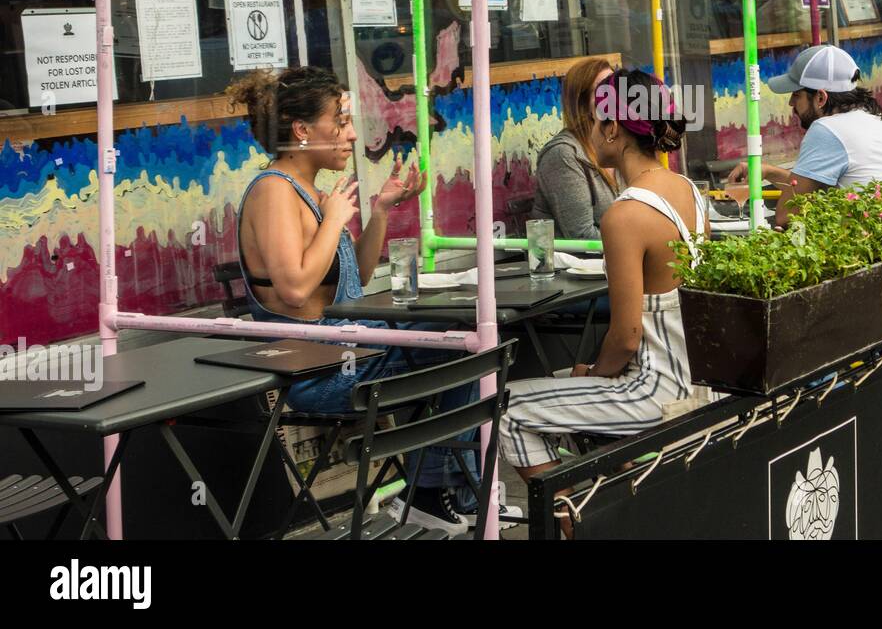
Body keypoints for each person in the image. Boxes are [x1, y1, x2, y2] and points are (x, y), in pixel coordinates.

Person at [227, 66, 515, 535]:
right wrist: (335, 221)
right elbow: (296, 289)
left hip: (354, 350)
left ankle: (449, 491)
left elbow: (352, 280)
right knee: (465, 344)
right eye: (339, 123)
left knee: (473, 339)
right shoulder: (274, 193)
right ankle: (433, 491)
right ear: (302, 130)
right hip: (319, 373)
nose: (351, 134)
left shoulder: (312, 193)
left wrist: (380, 209)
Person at [498, 70, 705, 508]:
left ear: (612, 128)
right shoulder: (688, 189)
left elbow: (626, 337)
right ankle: (612, 498)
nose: (592, 130)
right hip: (698, 378)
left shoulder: (625, 215)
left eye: (596, 121)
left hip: (655, 390)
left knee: (508, 409)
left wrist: (592, 374)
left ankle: (577, 522)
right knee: (554, 386)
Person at [727, 44, 882, 308]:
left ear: (821, 98)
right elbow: (812, 186)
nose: (791, 103)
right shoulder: (878, 119)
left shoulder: (826, 128)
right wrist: (768, 171)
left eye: (797, 95)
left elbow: (786, 214)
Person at [532, 57, 619, 240]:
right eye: (603, 90)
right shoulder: (563, 154)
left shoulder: (618, 140)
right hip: (578, 266)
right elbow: (581, 235)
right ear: (581, 102)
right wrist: (641, 244)